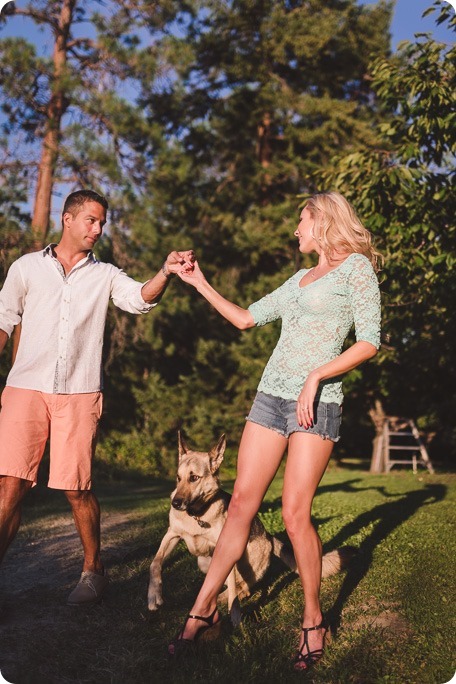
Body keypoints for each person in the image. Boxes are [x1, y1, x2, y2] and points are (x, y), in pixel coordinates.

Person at [169, 191, 382, 671]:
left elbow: (369, 340)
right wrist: (198, 281)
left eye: (300, 220)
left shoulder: (356, 270)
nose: (295, 230)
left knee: (293, 514)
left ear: (322, 220)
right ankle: (203, 612)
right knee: (242, 502)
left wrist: (317, 376)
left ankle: (312, 619)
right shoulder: (299, 280)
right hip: (269, 398)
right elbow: (246, 318)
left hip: (316, 403)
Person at [0, 189, 195, 606]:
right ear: (67, 219)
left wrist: (165, 272)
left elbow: (140, 299)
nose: (98, 229)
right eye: (91, 220)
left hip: (80, 391)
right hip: (24, 387)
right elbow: (3, 320)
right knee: (9, 486)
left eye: (102, 223)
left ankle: (94, 570)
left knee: (77, 488)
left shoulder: (105, 273)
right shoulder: (26, 268)